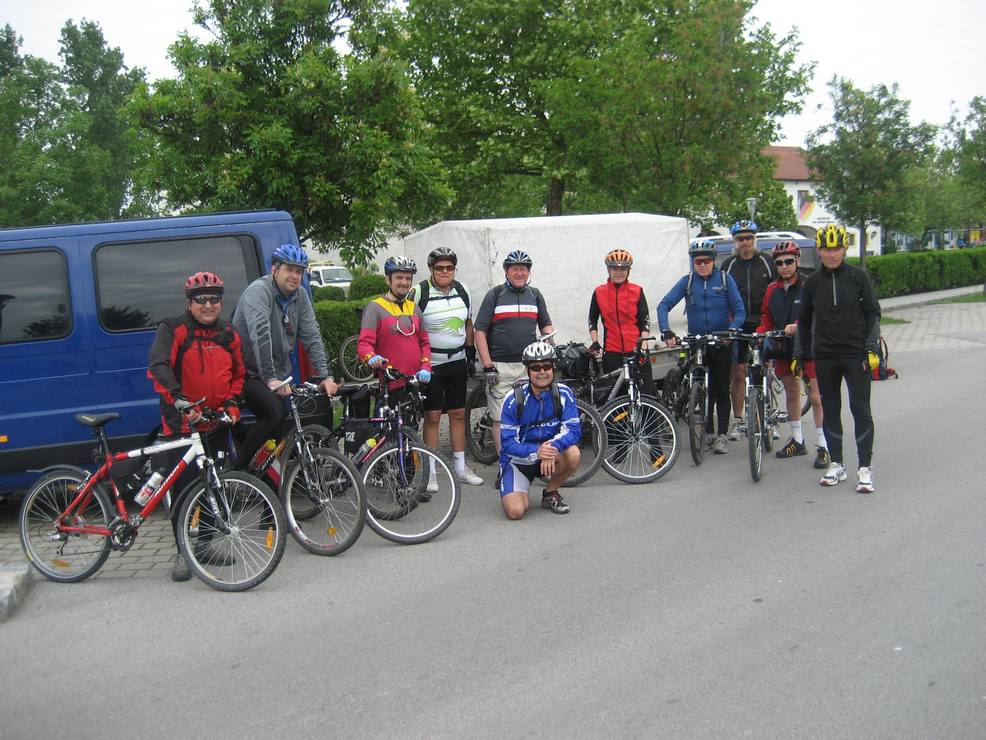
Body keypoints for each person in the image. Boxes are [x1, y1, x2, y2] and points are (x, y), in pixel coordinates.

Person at [147, 271, 246, 582]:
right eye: (201, 299)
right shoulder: (173, 328)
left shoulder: (228, 333)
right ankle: (182, 551)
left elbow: (239, 374)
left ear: (221, 302)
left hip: (215, 422)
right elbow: (158, 366)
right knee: (184, 489)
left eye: (214, 299)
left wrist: (232, 403)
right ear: (189, 303)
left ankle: (203, 546)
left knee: (213, 485)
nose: (208, 305)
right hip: (183, 424)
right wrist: (179, 400)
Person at [232, 244, 339, 470]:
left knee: (287, 424)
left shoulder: (300, 295)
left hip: (277, 376)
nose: (294, 276)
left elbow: (312, 335)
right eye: (289, 269)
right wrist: (270, 378)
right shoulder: (258, 292)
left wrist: (325, 375)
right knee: (274, 414)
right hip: (246, 373)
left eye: (299, 271)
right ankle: (237, 472)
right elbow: (261, 334)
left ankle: (266, 476)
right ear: (275, 270)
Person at [795, 225, 881, 492]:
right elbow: (803, 320)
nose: (832, 254)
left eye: (836, 249)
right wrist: (799, 354)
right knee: (830, 409)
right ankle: (837, 464)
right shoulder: (812, 283)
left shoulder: (858, 277)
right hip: (825, 355)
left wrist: (872, 348)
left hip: (856, 354)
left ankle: (864, 468)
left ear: (844, 249)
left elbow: (873, 313)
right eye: (826, 249)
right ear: (819, 251)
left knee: (860, 409)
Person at [657, 240, 745, 454]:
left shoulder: (724, 279)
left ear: (713, 261)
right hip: (697, 342)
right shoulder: (687, 281)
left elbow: (739, 309)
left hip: (721, 342)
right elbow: (664, 305)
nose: (702, 265)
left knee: (721, 389)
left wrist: (732, 330)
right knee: (701, 389)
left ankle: (721, 435)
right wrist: (666, 330)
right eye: (698, 261)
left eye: (706, 260)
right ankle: (709, 432)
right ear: (693, 263)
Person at [408, 247, 484, 488]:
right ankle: (430, 472)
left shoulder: (463, 291)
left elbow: (468, 324)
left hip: (457, 362)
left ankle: (460, 468)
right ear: (431, 269)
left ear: (454, 270)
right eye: (439, 268)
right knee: (432, 417)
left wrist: (470, 355)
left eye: (449, 268)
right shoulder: (419, 292)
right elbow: (410, 328)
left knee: (458, 414)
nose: (444, 272)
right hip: (431, 365)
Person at [473, 250, 555, 467]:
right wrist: (488, 366)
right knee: (500, 419)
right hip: (500, 366)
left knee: (530, 416)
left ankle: (527, 461)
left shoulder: (535, 295)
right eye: (515, 269)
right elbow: (479, 332)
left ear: (528, 272)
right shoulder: (495, 295)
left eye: (524, 269)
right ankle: (505, 467)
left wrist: (550, 346)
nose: (520, 273)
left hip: (529, 366)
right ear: (506, 271)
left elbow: (546, 325)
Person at [756, 241, 828, 467]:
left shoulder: (809, 284)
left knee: (816, 397)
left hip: (809, 345)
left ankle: (824, 445)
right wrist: (761, 332)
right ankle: (797, 440)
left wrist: (799, 325)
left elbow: (820, 313)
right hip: (783, 346)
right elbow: (766, 317)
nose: (784, 266)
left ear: (797, 260)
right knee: (791, 394)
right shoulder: (772, 289)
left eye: (788, 261)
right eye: (779, 263)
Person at [498, 341, 581, 519]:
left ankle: (551, 492)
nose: (542, 371)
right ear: (527, 370)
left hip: (550, 456)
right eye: (536, 367)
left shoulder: (564, 393)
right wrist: (537, 452)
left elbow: (573, 430)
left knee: (573, 453)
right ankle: (516, 487)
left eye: (546, 366)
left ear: (553, 368)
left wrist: (552, 448)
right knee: (516, 512)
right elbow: (508, 444)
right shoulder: (513, 399)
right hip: (518, 462)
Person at [722, 220, 776, 441]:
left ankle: (766, 417)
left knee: (764, 371)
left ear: (755, 239)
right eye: (740, 239)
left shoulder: (767, 262)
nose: (745, 243)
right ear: (735, 242)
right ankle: (738, 420)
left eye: (748, 238)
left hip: (763, 323)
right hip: (738, 324)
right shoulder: (728, 265)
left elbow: (777, 292)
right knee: (737, 373)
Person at [357, 255, 432, 389]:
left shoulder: (414, 308)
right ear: (388, 280)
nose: (404, 282)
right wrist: (370, 357)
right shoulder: (375, 307)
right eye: (399, 277)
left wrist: (426, 366)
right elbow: (364, 343)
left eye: (408, 278)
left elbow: (424, 343)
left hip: (416, 383)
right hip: (390, 385)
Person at [587, 248, 655, 395]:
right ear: (608, 270)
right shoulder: (599, 292)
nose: (619, 272)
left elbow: (645, 321)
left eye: (623, 269)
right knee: (616, 397)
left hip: (636, 351)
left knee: (646, 394)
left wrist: (643, 348)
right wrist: (595, 341)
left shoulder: (637, 290)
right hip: (612, 354)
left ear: (628, 270)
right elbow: (592, 319)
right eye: (615, 269)